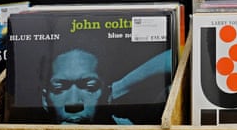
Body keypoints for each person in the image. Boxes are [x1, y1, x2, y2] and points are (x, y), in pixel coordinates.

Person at [41, 47, 171, 125]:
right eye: (59, 89)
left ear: (108, 94)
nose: (74, 103)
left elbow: (175, 57)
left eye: (90, 87)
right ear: (45, 100)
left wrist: (119, 87)